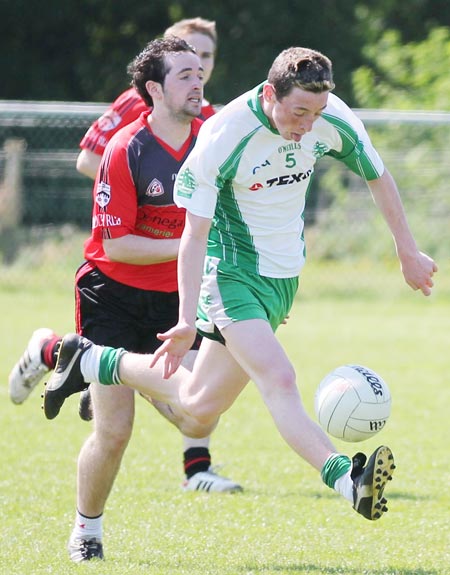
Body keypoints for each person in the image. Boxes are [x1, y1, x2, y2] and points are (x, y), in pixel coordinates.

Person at [44, 46, 437, 528]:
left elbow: (377, 175)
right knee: (280, 378)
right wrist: (187, 319)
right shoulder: (224, 136)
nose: (308, 126)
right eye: (298, 113)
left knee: (195, 411)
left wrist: (407, 250)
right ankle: (345, 477)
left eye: (316, 114)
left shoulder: (329, 116)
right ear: (270, 93)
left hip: (282, 281)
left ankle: (90, 358)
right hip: (231, 276)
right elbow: (194, 234)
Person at [13, 36, 244, 564]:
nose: (198, 81)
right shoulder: (126, 149)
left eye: (199, 71)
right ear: (154, 90)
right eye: (184, 75)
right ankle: (86, 530)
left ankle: (61, 353)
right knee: (114, 431)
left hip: (176, 303)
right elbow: (116, 245)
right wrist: (191, 243)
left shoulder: (212, 143)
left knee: (196, 419)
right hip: (112, 298)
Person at [76, 17, 217, 180]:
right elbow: (88, 161)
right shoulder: (138, 100)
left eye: (206, 55)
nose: (197, 60)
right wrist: (144, 194)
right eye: (187, 50)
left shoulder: (211, 116)